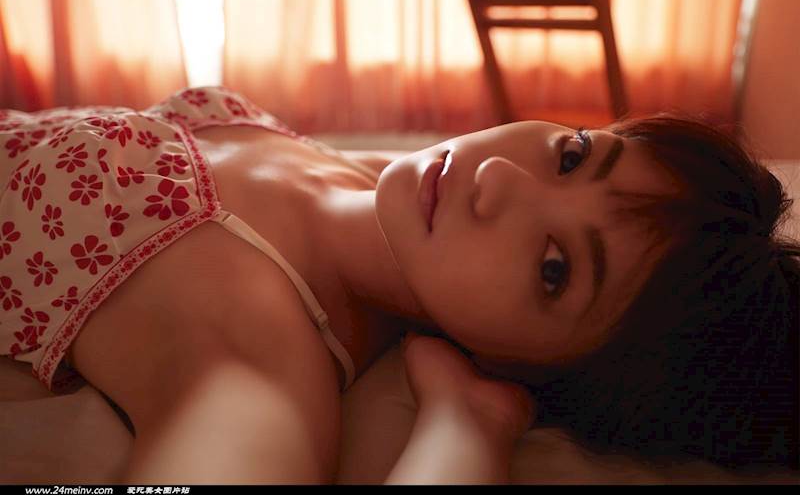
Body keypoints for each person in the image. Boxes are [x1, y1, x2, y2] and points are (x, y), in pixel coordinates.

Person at [0, 86, 796, 483]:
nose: (497, 175)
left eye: (554, 267)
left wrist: (466, 427)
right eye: (574, 155)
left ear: (538, 368)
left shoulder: (252, 346)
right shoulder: (375, 182)